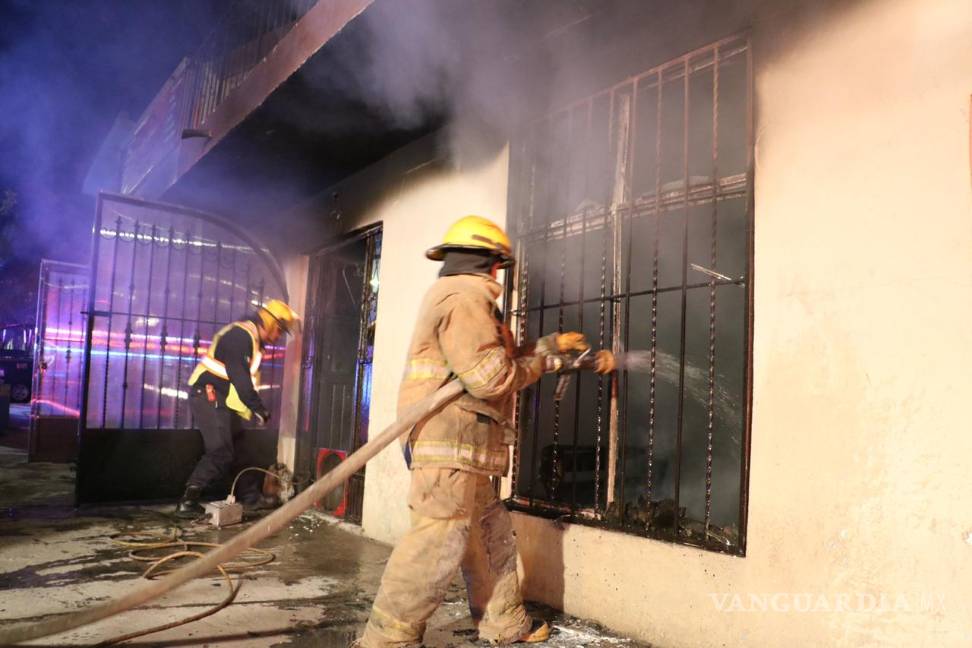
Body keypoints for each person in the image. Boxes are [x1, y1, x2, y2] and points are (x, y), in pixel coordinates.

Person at [356, 215, 610, 647]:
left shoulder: (460, 297)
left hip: (463, 448)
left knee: (489, 534)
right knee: (436, 545)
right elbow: (491, 377)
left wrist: (549, 349)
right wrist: (539, 362)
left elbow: (492, 359)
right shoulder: (464, 298)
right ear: (489, 263)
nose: (497, 274)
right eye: (497, 266)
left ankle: (505, 624)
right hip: (448, 445)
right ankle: (386, 640)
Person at [174, 299, 300, 518]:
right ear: (270, 323)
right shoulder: (240, 336)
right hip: (208, 394)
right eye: (279, 329)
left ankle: (251, 498)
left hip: (220, 398)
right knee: (221, 451)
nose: (279, 336)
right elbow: (240, 377)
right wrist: (257, 407)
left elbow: (240, 379)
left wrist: (250, 409)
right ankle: (187, 502)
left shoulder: (251, 340)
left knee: (240, 450)